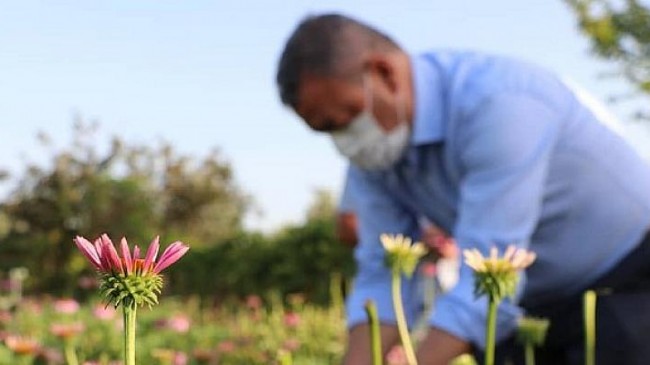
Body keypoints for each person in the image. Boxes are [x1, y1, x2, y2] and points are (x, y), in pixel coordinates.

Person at [275, 13, 650, 365]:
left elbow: (491, 264)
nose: (345, 141)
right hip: (528, 302)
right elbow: (383, 275)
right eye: (327, 130)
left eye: (347, 118)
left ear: (384, 73)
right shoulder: (377, 156)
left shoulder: (498, 103)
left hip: (630, 276)